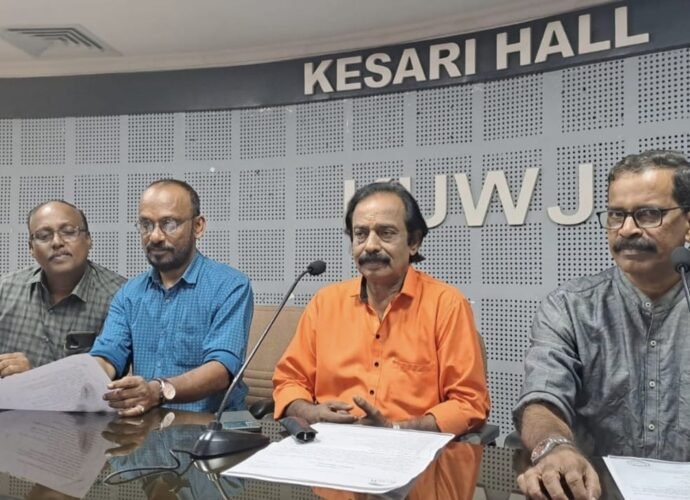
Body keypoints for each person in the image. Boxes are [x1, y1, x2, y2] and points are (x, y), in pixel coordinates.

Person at [514, 150, 690, 500]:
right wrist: (555, 446)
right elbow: (542, 399)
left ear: (687, 222)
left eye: (648, 214)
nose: (627, 229)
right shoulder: (569, 306)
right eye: (616, 215)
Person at [273, 181, 489, 435]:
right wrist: (312, 413)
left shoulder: (446, 305)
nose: (371, 245)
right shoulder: (325, 303)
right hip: (329, 444)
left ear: (414, 242)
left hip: (411, 447)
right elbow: (289, 381)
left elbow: (469, 403)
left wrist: (395, 429)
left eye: (386, 233)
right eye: (361, 234)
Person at [90, 179, 253, 416]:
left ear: (198, 226)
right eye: (146, 225)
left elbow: (221, 370)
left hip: (209, 426)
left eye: (169, 223)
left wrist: (158, 390)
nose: (155, 236)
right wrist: (87, 376)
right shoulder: (129, 293)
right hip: (148, 423)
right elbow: (108, 355)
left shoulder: (229, 285)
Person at [0, 200, 125, 378]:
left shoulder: (120, 296)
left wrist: (34, 378)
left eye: (68, 232)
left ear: (88, 239)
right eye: (44, 236)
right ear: (31, 248)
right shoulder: (5, 290)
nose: (57, 242)